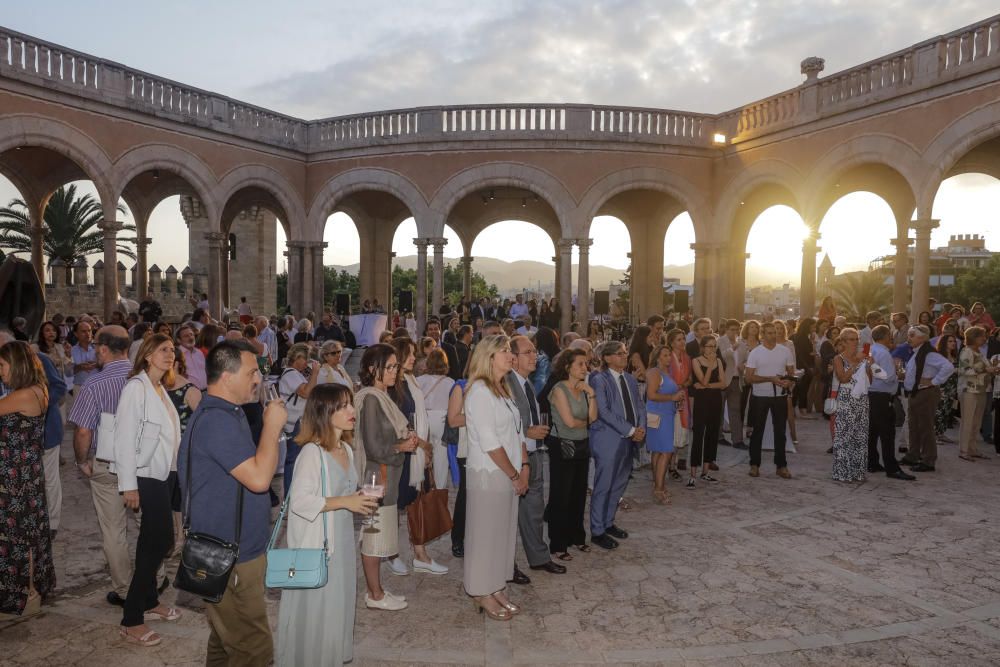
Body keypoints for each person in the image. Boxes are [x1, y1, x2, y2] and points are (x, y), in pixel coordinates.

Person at [178, 340, 286, 665]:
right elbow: (258, 478)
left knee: (226, 640)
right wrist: (272, 427)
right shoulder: (216, 421)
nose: (258, 379)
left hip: (232, 549)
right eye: (253, 372)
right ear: (227, 376)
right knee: (254, 647)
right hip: (230, 555)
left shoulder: (227, 413)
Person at [275, 384, 378, 667]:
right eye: (343, 405)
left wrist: (358, 499)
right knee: (318, 609)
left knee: (337, 606)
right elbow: (300, 501)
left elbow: (345, 491)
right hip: (318, 545)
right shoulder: (311, 452)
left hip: (341, 541)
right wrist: (347, 501)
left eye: (350, 404)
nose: (351, 411)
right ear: (324, 411)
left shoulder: (346, 448)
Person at [113, 334, 183, 647]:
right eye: (163, 349)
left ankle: (151, 601)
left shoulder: (159, 388)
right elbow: (124, 439)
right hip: (145, 475)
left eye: (172, 349)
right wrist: (128, 485)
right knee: (162, 539)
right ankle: (131, 618)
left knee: (150, 541)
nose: (170, 354)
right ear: (146, 355)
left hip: (164, 473)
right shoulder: (135, 388)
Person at [69, 325, 136, 607]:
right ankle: (155, 578)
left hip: (108, 463)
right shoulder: (144, 378)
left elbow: (84, 431)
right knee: (148, 524)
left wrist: (82, 461)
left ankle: (124, 589)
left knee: (113, 529)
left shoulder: (94, 384)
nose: (94, 350)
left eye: (97, 346)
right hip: (142, 462)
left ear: (105, 349)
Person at [463, 335, 527, 621]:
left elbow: (517, 431)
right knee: (485, 535)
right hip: (490, 474)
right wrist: (514, 474)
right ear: (488, 357)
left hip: (510, 473)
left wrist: (524, 465)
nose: (510, 355)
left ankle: (497, 585)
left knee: (503, 533)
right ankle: (481, 590)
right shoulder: (479, 392)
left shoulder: (503, 389)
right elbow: (489, 442)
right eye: (503, 351)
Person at [354, 344, 417, 611]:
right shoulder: (370, 398)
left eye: (395, 367)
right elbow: (373, 447)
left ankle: (377, 589)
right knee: (373, 536)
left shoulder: (382, 396)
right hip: (375, 478)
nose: (394, 372)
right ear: (372, 369)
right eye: (389, 367)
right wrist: (401, 447)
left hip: (385, 477)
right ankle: (374, 595)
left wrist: (405, 438)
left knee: (381, 535)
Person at [0, 340, 54, 618]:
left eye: (2, 365)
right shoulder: (37, 389)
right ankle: (32, 590)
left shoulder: (22, 395)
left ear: (17, 364)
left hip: (15, 476)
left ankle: (26, 594)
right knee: (29, 534)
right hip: (25, 472)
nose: (0, 371)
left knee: (18, 535)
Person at [386, 337, 446, 575]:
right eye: (409, 354)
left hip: (416, 451)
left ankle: (420, 554)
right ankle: (390, 552)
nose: (414, 357)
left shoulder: (410, 380)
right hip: (401, 451)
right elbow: (397, 422)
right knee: (394, 505)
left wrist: (424, 446)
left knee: (415, 501)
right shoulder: (392, 386)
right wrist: (423, 445)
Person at [506, 336, 563, 578]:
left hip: (535, 452)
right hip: (516, 457)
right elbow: (502, 421)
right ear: (513, 358)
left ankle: (538, 557)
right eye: (528, 352)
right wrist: (527, 431)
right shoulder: (505, 384)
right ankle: (507, 566)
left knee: (534, 510)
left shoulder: (527, 383)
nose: (534, 356)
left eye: (534, 351)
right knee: (508, 515)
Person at [588, 341, 645, 550]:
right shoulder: (599, 379)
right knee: (603, 485)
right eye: (619, 353)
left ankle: (608, 522)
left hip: (629, 439)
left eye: (625, 353)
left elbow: (639, 405)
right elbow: (603, 410)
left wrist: (641, 428)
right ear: (607, 358)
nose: (624, 356)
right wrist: (631, 430)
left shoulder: (629, 379)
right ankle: (597, 530)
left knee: (619, 483)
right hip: (608, 439)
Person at [900, 326, 955, 473]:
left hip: (926, 393)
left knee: (925, 428)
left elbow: (948, 367)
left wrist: (934, 381)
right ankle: (913, 455)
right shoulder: (919, 352)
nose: (909, 338)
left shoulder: (929, 354)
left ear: (922, 338)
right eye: (909, 335)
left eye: (912, 335)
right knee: (914, 426)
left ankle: (928, 460)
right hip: (916, 393)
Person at [745, 321, 796, 479]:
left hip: (779, 396)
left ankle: (781, 466)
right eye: (770, 333)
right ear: (762, 335)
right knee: (757, 432)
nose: (774, 335)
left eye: (775, 332)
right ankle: (754, 465)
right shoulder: (755, 352)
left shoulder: (785, 350)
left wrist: (789, 382)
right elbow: (748, 378)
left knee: (780, 432)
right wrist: (770, 379)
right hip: (759, 397)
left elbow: (791, 374)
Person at [867, 325, 915, 481]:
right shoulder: (883, 353)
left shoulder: (872, 350)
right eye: (889, 335)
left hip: (871, 394)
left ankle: (872, 462)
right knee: (887, 434)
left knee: (872, 432)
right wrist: (896, 375)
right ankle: (892, 468)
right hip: (882, 396)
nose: (892, 337)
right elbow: (886, 377)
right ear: (884, 336)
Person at [829, 328, 873, 483]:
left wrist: (868, 366)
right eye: (852, 339)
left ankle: (857, 471)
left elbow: (870, 381)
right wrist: (856, 363)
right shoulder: (838, 359)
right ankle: (842, 472)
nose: (855, 342)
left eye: (856, 339)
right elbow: (843, 378)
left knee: (860, 436)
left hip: (861, 399)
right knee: (844, 436)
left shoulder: (863, 357)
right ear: (843, 342)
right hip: (846, 398)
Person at [278, 343, 320, 495]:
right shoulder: (291, 374)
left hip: (297, 422)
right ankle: (291, 496)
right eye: (306, 359)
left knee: (297, 460)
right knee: (294, 461)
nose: (307, 362)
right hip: (296, 423)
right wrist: (315, 373)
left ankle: (294, 494)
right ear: (298, 358)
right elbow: (306, 393)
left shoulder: (294, 374)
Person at [689, 335, 726, 488]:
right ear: (703, 347)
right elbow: (703, 379)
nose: (712, 349)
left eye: (714, 346)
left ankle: (705, 471)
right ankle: (692, 474)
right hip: (701, 401)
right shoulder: (696, 361)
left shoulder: (719, 361)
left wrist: (706, 385)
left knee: (712, 434)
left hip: (715, 400)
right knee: (698, 435)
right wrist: (710, 366)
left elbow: (723, 384)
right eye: (709, 346)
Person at [644, 344, 680, 504]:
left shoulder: (667, 372)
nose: (668, 358)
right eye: (665, 355)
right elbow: (651, 395)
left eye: (669, 355)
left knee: (659, 451)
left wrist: (676, 400)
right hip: (658, 415)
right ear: (657, 357)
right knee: (665, 451)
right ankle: (659, 488)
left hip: (667, 414)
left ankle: (659, 485)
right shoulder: (654, 372)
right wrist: (672, 398)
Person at [416, 348, 455, 490]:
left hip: (424, 420)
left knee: (422, 456)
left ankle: (421, 490)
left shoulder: (418, 380)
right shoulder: (451, 382)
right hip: (442, 421)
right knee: (441, 459)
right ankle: (440, 490)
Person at [957, 326, 995, 462]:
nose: (984, 339)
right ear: (974, 337)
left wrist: (993, 369)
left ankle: (973, 449)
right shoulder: (966, 352)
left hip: (982, 390)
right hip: (969, 390)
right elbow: (964, 371)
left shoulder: (980, 352)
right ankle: (964, 450)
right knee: (967, 422)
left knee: (976, 422)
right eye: (981, 336)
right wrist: (985, 369)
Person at [718, 319, 744, 449]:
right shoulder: (720, 341)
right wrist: (731, 349)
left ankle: (737, 440)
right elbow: (720, 357)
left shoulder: (741, 342)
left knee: (735, 410)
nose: (734, 332)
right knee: (719, 409)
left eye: (736, 329)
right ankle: (719, 437)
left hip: (736, 380)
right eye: (732, 330)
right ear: (727, 330)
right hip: (723, 380)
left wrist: (743, 365)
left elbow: (746, 358)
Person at [933, 333, 960, 443]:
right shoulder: (938, 356)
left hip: (952, 387)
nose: (953, 343)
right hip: (941, 387)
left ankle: (941, 433)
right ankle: (934, 435)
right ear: (944, 343)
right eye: (950, 341)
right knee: (938, 411)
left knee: (947, 411)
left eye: (954, 341)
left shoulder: (955, 356)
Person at [792, 318, 817, 420]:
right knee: (802, 389)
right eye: (813, 326)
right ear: (808, 326)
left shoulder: (802, 337)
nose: (815, 328)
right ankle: (802, 411)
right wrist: (807, 368)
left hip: (802, 366)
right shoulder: (802, 338)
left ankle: (794, 410)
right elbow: (802, 354)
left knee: (798, 389)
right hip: (803, 367)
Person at [175, 324, 207, 390]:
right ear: (179, 340)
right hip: (189, 395)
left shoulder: (199, 352)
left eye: (191, 334)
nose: (190, 338)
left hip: (205, 391)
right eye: (186, 336)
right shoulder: (176, 354)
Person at [71, 319, 99, 394]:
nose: (87, 334)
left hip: (98, 387)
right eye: (83, 331)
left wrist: (97, 364)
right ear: (76, 334)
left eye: (89, 331)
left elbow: (109, 366)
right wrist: (79, 367)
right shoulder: (71, 351)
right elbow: (68, 373)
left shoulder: (100, 348)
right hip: (80, 388)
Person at [531, 326, 560, 395]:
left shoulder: (543, 359)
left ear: (540, 340)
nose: (534, 342)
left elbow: (540, 383)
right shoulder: (559, 355)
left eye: (535, 338)